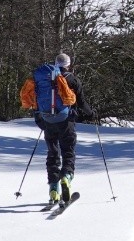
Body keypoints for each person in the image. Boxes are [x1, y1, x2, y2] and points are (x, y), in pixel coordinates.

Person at [19, 53, 94, 205]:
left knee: (53, 154)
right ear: (69, 65)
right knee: (68, 151)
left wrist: (40, 119)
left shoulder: (43, 78)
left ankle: (53, 188)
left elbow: (35, 99)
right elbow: (81, 103)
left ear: (55, 63)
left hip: (47, 120)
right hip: (66, 121)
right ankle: (66, 176)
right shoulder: (71, 79)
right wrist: (92, 113)